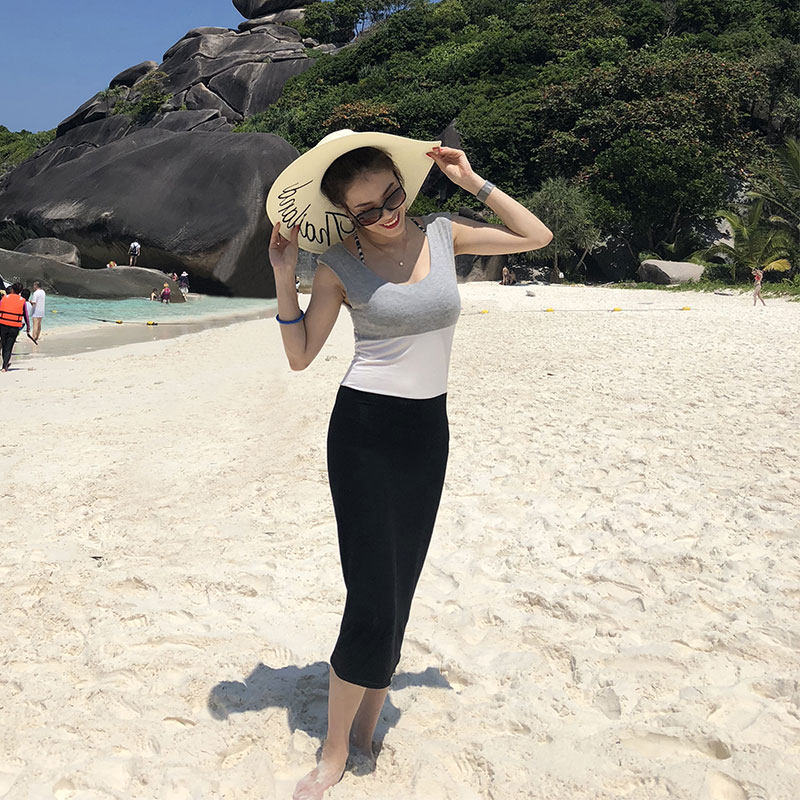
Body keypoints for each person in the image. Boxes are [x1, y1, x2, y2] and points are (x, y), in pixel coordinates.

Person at [265, 129, 552, 800]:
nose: (386, 215)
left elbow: (535, 235)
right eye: (366, 210)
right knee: (370, 591)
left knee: (402, 585)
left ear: (404, 186)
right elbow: (301, 357)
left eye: (391, 198)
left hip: (428, 432)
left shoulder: (446, 234)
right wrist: (284, 277)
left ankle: (367, 727)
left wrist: (472, 181)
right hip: (364, 432)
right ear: (346, 214)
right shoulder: (339, 264)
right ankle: (334, 751)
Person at [0, 283, 32, 372]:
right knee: (9, 346)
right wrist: (28, 327)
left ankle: (5, 364)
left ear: (12, 290)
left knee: (4, 344)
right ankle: (4, 366)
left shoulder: (4, 298)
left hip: (3, 325)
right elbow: (26, 315)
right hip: (14, 327)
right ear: (20, 291)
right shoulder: (22, 301)